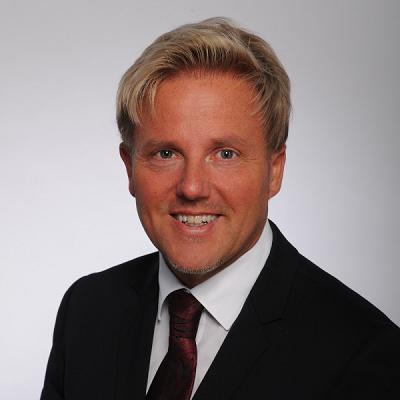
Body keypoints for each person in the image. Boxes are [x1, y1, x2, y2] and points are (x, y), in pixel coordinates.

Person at [41, 17, 400, 399]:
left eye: (225, 154)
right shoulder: (88, 309)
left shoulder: (366, 356)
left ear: (275, 170)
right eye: (166, 153)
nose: (192, 187)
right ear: (129, 168)